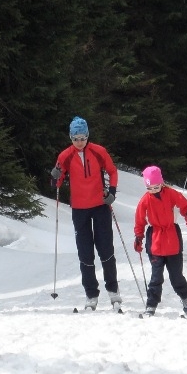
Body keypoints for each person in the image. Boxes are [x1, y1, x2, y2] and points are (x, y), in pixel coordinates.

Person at [51, 116, 120, 311]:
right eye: (75, 139)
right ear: (70, 138)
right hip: (79, 209)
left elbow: (112, 171)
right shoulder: (65, 155)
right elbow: (58, 179)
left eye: (82, 138)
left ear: (88, 136)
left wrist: (112, 192)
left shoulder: (99, 152)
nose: (79, 142)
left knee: (106, 249)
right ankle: (91, 294)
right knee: (85, 253)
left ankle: (113, 290)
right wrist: (55, 177)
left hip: (100, 206)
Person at [133, 166, 187, 317]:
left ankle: (185, 299)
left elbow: (185, 205)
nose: (153, 190)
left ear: (161, 183)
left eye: (156, 186)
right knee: (156, 277)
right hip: (154, 240)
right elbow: (139, 220)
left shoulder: (171, 193)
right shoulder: (145, 200)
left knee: (176, 276)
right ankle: (151, 305)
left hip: (172, 239)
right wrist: (138, 237)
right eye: (149, 188)